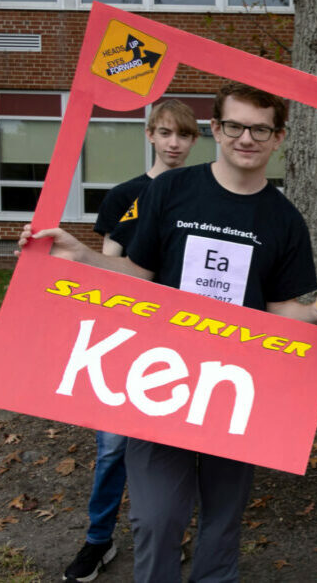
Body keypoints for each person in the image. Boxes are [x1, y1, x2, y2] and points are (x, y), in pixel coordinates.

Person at [19, 81, 317, 582]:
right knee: (156, 519)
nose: (246, 138)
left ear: (278, 138)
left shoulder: (285, 219)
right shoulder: (171, 189)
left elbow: (280, 312)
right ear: (216, 128)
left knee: (222, 524)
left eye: (260, 129)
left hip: (235, 387)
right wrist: (80, 257)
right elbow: (139, 277)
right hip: (161, 379)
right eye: (234, 126)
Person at [63, 100, 199, 582]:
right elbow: (109, 263)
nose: (174, 143)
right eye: (166, 133)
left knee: (173, 447)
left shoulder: (200, 193)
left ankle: (169, 535)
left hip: (185, 339)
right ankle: (99, 540)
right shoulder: (124, 195)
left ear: (194, 141)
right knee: (113, 448)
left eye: (183, 135)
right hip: (128, 335)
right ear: (150, 135)